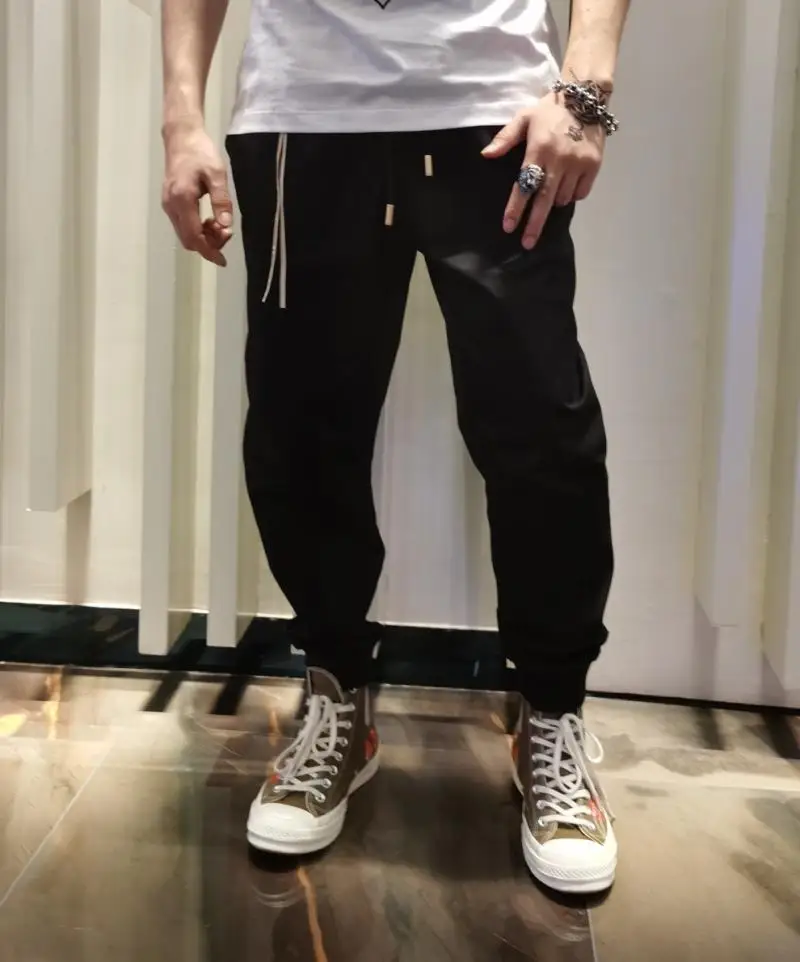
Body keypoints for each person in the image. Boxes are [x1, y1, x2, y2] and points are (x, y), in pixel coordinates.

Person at [161, 0, 630, 894]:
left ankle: (552, 713)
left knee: (542, 430)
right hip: (306, 112)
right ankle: (337, 693)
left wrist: (585, 88)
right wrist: (182, 117)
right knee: (302, 431)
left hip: (495, 113)